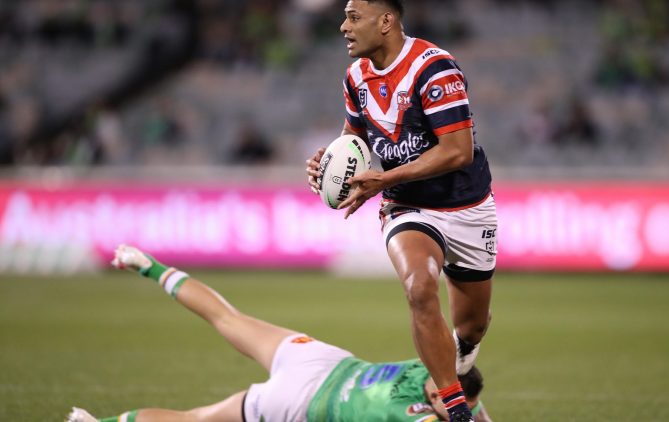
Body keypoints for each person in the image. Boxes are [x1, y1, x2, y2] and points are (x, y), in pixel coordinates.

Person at [305, 2, 496, 421]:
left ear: (386, 21)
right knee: (418, 287)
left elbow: (458, 151)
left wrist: (384, 178)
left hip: (467, 206)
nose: (343, 27)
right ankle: (455, 407)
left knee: (471, 328)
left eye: (354, 17)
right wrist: (331, 165)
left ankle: (458, 355)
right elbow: (354, 138)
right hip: (408, 206)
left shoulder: (434, 67)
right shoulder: (356, 77)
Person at [67, 245, 493, 422]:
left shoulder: (431, 364)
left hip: (322, 360)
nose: (460, 411)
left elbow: (460, 371)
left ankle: (149, 266)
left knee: (228, 318)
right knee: (195, 419)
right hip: (303, 400)